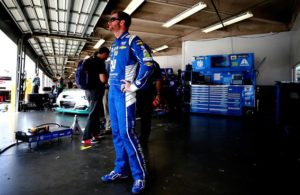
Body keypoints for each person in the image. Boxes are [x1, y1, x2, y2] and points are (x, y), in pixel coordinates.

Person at [100, 11, 155, 194]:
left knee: (126, 133)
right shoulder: (114, 45)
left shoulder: (133, 40)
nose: (109, 22)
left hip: (125, 95)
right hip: (113, 92)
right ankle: (121, 170)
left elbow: (148, 63)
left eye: (112, 19)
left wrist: (136, 85)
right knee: (116, 133)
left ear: (122, 22)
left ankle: (139, 175)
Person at [82, 47, 109, 146]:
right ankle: (86, 137)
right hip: (96, 91)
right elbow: (103, 80)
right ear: (103, 53)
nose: (107, 57)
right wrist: (107, 79)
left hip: (88, 90)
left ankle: (96, 134)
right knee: (93, 113)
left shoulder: (90, 60)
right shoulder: (100, 62)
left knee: (96, 112)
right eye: (107, 54)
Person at [136, 60, 162, 148]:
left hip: (146, 94)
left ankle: (143, 139)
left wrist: (158, 94)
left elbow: (158, 79)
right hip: (133, 93)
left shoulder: (154, 64)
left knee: (146, 117)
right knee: (132, 117)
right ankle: (134, 138)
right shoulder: (133, 62)